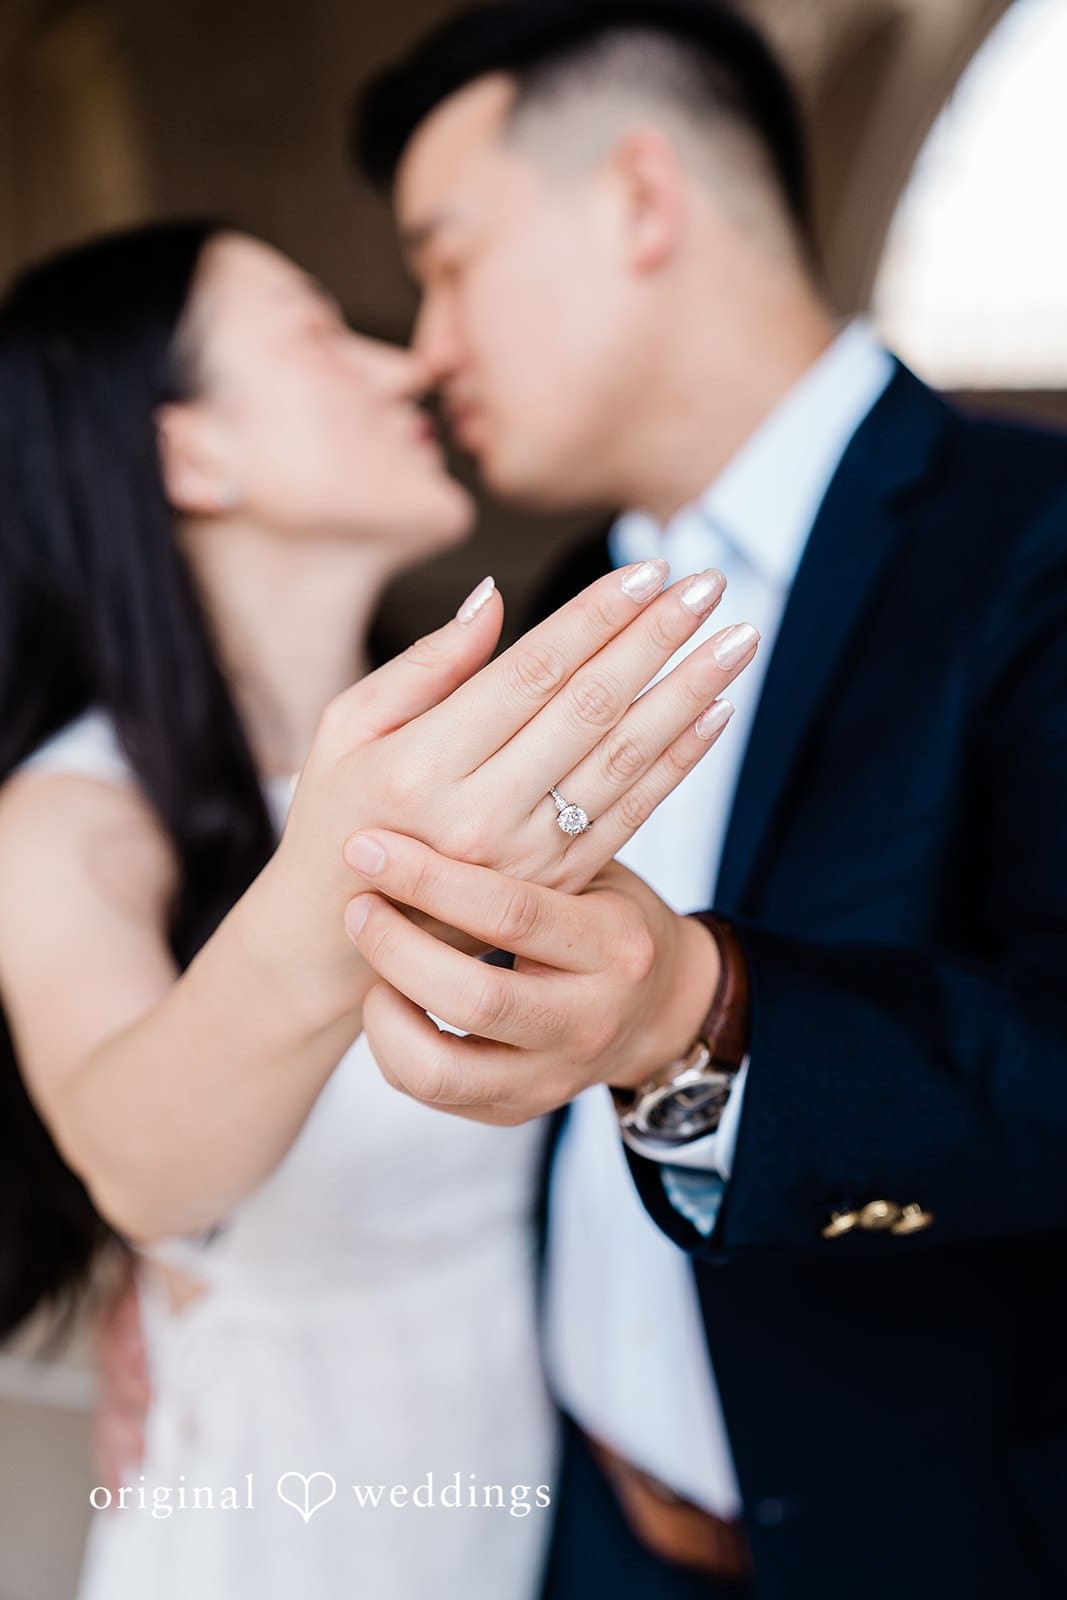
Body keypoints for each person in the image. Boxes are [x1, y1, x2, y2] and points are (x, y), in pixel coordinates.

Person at [338, 2, 1067, 1597]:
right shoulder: (547, 602)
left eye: (448, 258)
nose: (427, 344)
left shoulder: (1035, 542)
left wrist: (705, 1012)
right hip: (582, 1524)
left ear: (641, 200)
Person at [0, 219, 757, 1599]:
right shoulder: (69, 819)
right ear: (191, 452)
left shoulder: (494, 741)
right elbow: (139, 1167)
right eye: (317, 332)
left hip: (526, 1510)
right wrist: (352, 863)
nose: (404, 365)